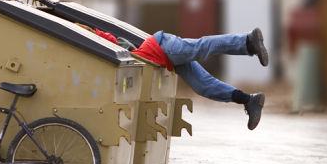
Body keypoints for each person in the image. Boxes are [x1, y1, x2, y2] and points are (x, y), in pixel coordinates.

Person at [87, 26, 269, 130]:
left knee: (201, 47)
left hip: (162, 46)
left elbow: (107, 37)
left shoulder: (91, 35)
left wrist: (90, 33)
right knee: (203, 86)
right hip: (166, 58)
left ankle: (247, 42)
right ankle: (249, 100)